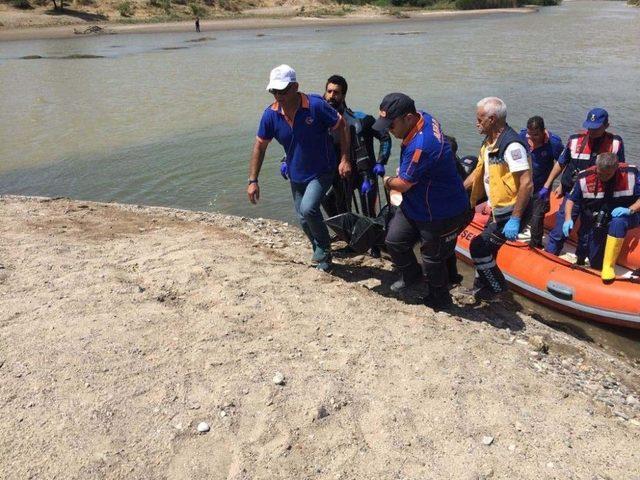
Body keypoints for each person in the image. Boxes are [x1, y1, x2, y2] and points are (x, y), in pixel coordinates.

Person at [247, 64, 351, 272]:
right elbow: (260, 145)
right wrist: (253, 180)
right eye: (274, 91)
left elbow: (342, 126)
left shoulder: (316, 106)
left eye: (283, 91)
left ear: (295, 87)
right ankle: (324, 259)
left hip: (323, 169)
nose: (278, 96)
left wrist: (345, 158)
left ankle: (323, 247)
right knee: (303, 219)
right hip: (296, 173)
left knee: (309, 208)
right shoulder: (270, 115)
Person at [374, 93, 470, 310]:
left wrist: (388, 181)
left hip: (439, 210)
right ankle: (412, 276)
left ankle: (440, 300)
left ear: (408, 118)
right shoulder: (424, 117)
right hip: (417, 203)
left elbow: (404, 184)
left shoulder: (421, 146)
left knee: (432, 257)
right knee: (394, 240)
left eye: (392, 124)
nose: (389, 129)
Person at [463, 97, 533, 300]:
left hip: (510, 212)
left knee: (478, 247)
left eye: (480, 119)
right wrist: (460, 190)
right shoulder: (489, 143)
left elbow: (526, 183)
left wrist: (516, 218)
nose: (477, 123)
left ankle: (498, 288)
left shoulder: (511, 146)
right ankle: (480, 288)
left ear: (492, 119)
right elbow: (478, 172)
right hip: (497, 209)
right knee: (487, 250)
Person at [542, 108, 625, 261]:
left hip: (597, 197)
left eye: (596, 128)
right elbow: (561, 163)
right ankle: (548, 257)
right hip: (573, 193)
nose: (591, 131)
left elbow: (619, 170)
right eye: (589, 127)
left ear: (606, 125)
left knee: (587, 234)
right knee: (560, 229)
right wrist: (549, 184)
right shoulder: (575, 140)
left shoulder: (615, 143)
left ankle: (580, 262)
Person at [321, 75, 392, 229]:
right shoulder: (321, 123)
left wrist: (381, 161)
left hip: (365, 174)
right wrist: (287, 158)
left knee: (368, 214)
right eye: (329, 91)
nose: (332, 96)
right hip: (340, 175)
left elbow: (385, 137)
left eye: (336, 92)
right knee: (336, 207)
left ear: (344, 95)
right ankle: (350, 239)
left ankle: (375, 246)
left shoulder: (362, 120)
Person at [562, 153, 639, 281]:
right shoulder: (584, 177)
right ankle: (596, 269)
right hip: (600, 219)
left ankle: (609, 267)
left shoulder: (631, 174)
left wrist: (630, 210)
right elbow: (571, 200)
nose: (603, 177)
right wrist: (568, 218)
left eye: (607, 174)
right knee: (595, 259)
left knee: (618, 222)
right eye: (600, 173)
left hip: (627, 215)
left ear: (616, 168)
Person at [518, 116, 564, 247]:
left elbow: (564, 162)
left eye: (536, 134)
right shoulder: (521, 136)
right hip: (523, 184)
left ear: (544, 130)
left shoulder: (554, 143)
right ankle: (510, 238)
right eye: (530, 134)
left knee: (537, 217)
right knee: (518, 212)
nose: (532, 138)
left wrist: (561, 184)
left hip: (542, 186)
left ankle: (535, 245)